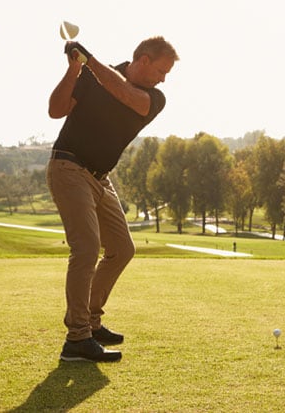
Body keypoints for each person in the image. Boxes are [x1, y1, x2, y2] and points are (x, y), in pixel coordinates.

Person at [47, 36, 179, 362]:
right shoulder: (92, 75)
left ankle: (90, 322)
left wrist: (89, 61)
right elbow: (55, 110)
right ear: (144, 60)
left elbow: (122, 92)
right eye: (161, 70)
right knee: (87, 248)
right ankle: (77, 338)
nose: (163, 78)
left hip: (100, 178)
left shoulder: (153, 98)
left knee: (122, 249)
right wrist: (75, 69)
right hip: (68, 166)